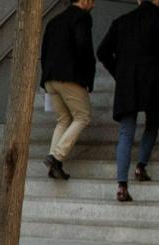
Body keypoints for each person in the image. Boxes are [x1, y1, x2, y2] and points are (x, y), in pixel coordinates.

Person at [98, 0, 159, 202]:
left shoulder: (121, 21)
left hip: (128, 83)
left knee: (126, 132)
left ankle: (122, 185)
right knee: (152, 123)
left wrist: (120, 72)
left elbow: (102, 51)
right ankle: (141, 166)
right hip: (153, 81)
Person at [40, 0, 95, 180]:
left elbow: (45, 51)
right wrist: (86, 77)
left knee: (63, 119)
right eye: (92, 1)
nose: (93, 6)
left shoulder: (53, 21)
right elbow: (84, 48)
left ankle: (52, 167)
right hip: (70, 77)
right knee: (82, 116)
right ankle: (56, 157)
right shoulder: (82, 18)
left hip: (50, 78)